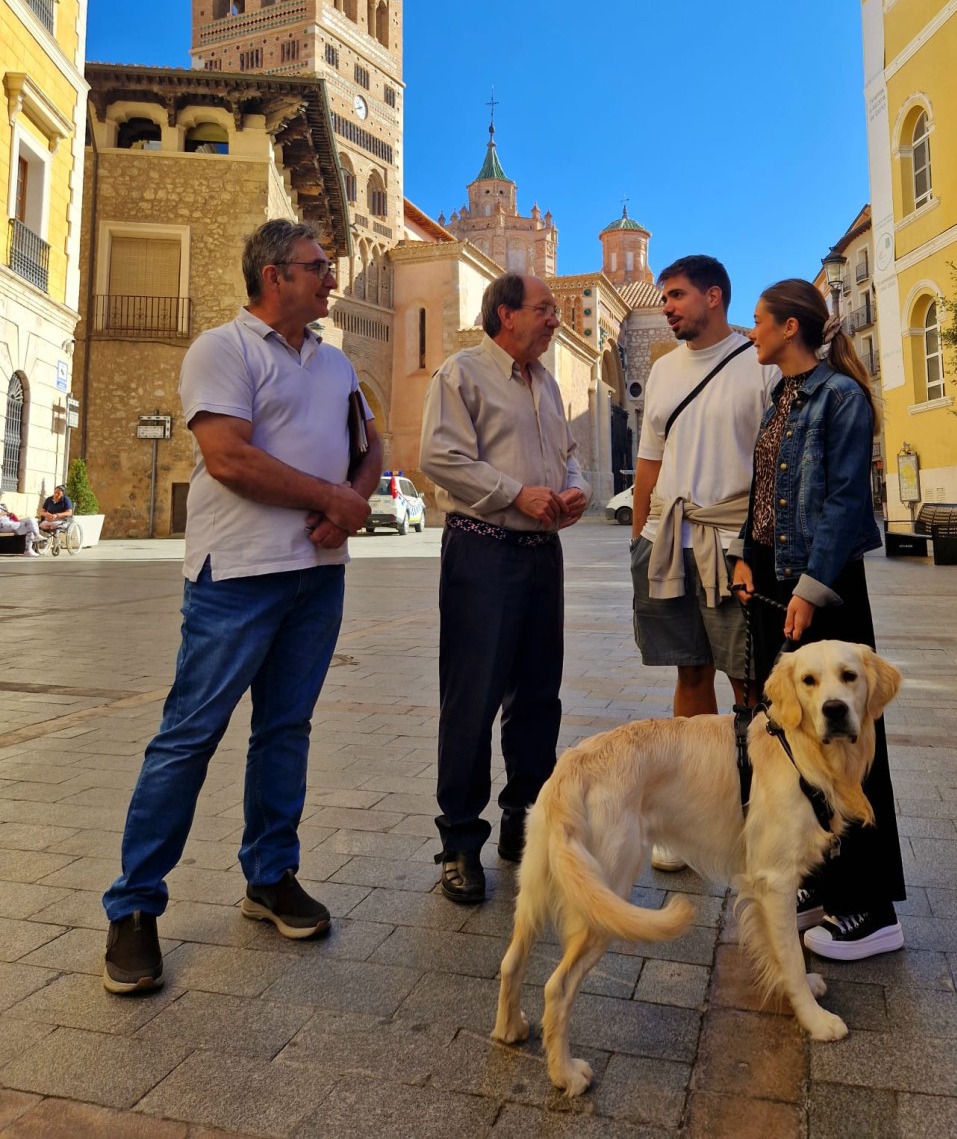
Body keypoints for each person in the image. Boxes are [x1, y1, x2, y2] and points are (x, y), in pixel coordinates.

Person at [102, 220, 379, 994]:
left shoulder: (335, 362)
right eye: (318, 267)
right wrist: (329, 496)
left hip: (317, 573)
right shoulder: (221, 350)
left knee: (285, 730)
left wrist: (350, 503)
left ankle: (270, 876)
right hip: (239, 578)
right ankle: (132, 907)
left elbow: (371, 445)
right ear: (273, 275)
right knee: (189, 735)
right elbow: (226, 456)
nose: (332, 277)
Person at [731, 277, 906, 961]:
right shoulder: (781, 398)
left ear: (791, 329)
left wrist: (809, 585)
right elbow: (765, 492)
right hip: (779, 584)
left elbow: (842, 504)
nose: (753, 332)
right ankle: (827, 879)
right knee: (802, 738)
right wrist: (747, 556)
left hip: (826, 589)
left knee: (854, 743)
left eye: (760, 321)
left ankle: (874, 904)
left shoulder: (841, 397)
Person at [420, 272, 591, 904]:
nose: (555, 320)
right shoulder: (461, 375)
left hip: (542, 552)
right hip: (483, 551)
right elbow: (440, 458)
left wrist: (577, 489)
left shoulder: (545, 382)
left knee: (540, 696)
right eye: (544, 310)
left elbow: (570, 454)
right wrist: (516, 493)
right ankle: (460, 842)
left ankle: (524, 818)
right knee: (472, 699)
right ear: (505, 314)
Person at [630, 255, 777, 871]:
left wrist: (758, 549)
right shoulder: (663, 372)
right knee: (690, 676)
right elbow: (649, 460)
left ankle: (755, 811)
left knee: (749, 683)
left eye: (678, 295)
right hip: (671, 543)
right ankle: (694, 816)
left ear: (714, 297)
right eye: (665, 296)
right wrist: (639, 539)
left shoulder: (758, 365)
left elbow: (773, 467)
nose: (667, 306)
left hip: (734, 543)